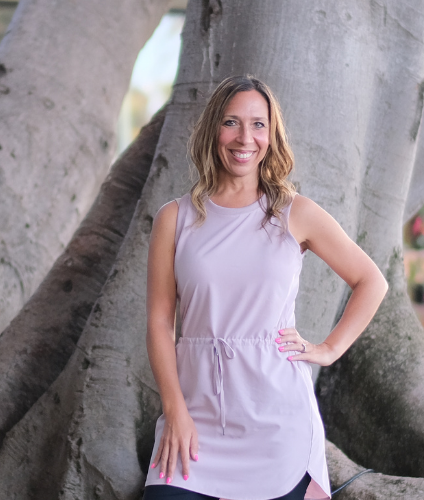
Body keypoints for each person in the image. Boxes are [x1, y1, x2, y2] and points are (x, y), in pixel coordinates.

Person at [143, 75, 388, 500]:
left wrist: (328, 349)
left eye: (258, 124)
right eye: (231, 122)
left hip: (277, 421)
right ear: (212, 131)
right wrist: (174, 410)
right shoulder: (175, 218)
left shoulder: (296, 214)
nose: (245, 137)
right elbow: (160, 323)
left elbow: (371, 281)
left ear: (272, 135)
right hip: (193, 418)